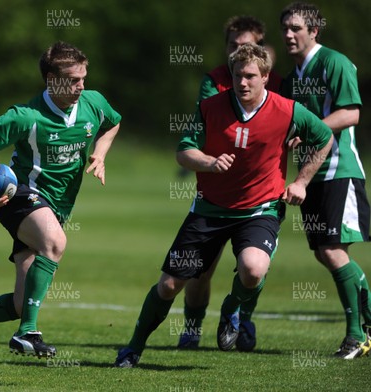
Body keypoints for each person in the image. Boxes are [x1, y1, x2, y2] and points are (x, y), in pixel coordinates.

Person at [114, 43, 333, 368]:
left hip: (260, 209)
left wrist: (301, 181)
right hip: (209, 210)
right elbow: (183, 151)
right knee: (170, 285)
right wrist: (208, 161)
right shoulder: (210, 107)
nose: (242, 82)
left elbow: (324, 137)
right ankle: (132, 349)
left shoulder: (287, 110)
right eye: (236, 75)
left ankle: (232, 307)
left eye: (249, 76)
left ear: (265, 77)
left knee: (252, 270)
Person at [0, 41, 121, 371]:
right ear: (51, 80)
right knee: (55, 243)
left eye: (84, 77)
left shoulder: (93, 104)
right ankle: (28, 333)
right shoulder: (27, 116)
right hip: (20, 196)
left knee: (22, 302)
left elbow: (114, 123)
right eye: (73, 79)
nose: (81, 85)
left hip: (57, 207)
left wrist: (101, 152)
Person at [178, 15, 283, 351]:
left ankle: (241, 319)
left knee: (253, 267)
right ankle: (192, 330)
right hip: (217, 192)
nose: (238, 51)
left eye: (246, 46)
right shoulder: (214, 82)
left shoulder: (278, 83)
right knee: (199, 270)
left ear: (261, 50)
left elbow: (291, 117)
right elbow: (212, 119)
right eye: (233, 46)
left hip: (258, 195)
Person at [280, 2, 371, 359]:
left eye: (296, 28)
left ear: (315, 31)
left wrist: (309, 129)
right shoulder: (292, 77)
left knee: (333, 251)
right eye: (285, 27)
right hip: (311, 175)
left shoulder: (334, 62)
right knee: (324, 253)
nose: (288, 33)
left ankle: (357, 334)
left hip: (340, 171)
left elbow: (352, 113)